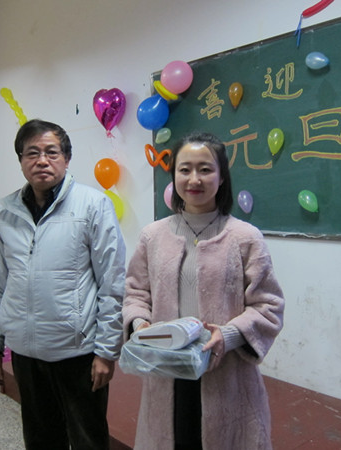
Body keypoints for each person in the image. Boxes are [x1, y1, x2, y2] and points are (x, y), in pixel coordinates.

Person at [122, 131, 285, 450]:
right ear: (173, 176)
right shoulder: (152, 236)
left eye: (205, 169)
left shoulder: (244, 237)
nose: (194, 179)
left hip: (226, 375)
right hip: (166, 371)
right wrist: (140, 324)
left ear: (221, 177)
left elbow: (268, 306)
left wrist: (228, 335)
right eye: (184, 169)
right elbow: (136, 293)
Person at [0, 119, 126, 449]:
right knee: (41, 440)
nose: (42, 161)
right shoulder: (7, 214)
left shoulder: (93, 205)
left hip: (78, 352)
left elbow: (113, 283)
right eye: (32, 153)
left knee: (88, 439)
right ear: (21, 160)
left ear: (67, 158)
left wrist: (106, 352)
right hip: (26, 353)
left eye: (51, 152)